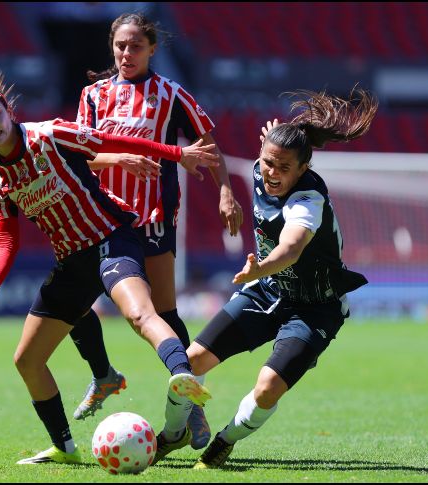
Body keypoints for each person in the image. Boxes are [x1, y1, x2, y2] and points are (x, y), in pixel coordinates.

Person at [0, 69, 218, 465]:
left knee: (138, 313)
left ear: (8, 110)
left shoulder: (49, 134)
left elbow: (112, 140)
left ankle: (181, 378)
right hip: (72, 260)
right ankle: (65, 449)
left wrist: (177, 154)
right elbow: (7, 241)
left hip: (111, 239)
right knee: (26, 360)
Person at [150, 88, 378, 467]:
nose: (272, 173)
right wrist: (274, 141)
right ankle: (175, 434)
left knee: (268, 386)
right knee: (187, 365)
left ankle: (225, 440)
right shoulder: (265, 164)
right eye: (268, 162)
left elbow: (290, 249)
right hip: (269, 291)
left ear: (303, 169)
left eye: (284, 168)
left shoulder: (308, 200)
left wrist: (261, 267)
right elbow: (276, 149)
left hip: (315, 308)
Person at [68, 12, 244, 451]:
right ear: (112, 46)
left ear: (152, 49)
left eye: (136, 46)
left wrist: (226, 192)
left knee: (162, 314)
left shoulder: (170, 95)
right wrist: (117, 161)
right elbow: (80, 156)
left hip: (152, 220)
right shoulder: (92, 97)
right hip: (102, 218)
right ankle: (104, 374)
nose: (127, 54)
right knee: (71, 303)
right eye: (121, 46)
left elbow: (208, 146)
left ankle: (192, 408)